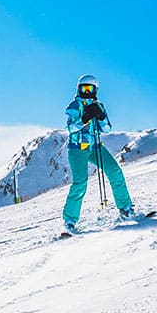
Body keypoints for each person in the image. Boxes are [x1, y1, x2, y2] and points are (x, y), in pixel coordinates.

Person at [62, 74, 134, 233]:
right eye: (84, 89)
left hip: (95, 147)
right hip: (78, 148)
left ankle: (125, 208)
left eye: (90, 89)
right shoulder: (75, 105)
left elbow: (107, 129)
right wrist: (85, 118)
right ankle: (70, 220)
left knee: (115, 171)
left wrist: (100, 116)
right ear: (79, 89)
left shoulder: (99, 106)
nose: (87, 92)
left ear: (95, 90)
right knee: (80, 183)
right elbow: (71, 128)